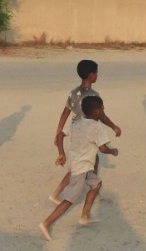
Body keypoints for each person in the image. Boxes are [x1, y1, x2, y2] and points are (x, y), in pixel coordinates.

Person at [39, 95, 118, 241]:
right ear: (96, 111)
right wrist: (112, 151)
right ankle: (46, 223)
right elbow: (102, 148)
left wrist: (61, 153)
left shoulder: (77, 124)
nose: (103, 110)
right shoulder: (97, 127)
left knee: (96, 185)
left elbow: (60, 135)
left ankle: (85, 216)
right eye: (102, 108)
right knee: (69, 200)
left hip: (81, 165)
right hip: (81, 169)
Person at [51, 59, 122, 202]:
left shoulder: (73, 92)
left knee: (92, 162)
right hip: (88, 132)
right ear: (91, 75)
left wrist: (58, 132)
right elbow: (101, 115)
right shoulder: (94, 95)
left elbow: (65, 113)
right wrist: (114, 126)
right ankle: (57, 193)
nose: (97, 75)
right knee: (80, 166)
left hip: (75, 131)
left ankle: (94, 191)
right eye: (96, 73)